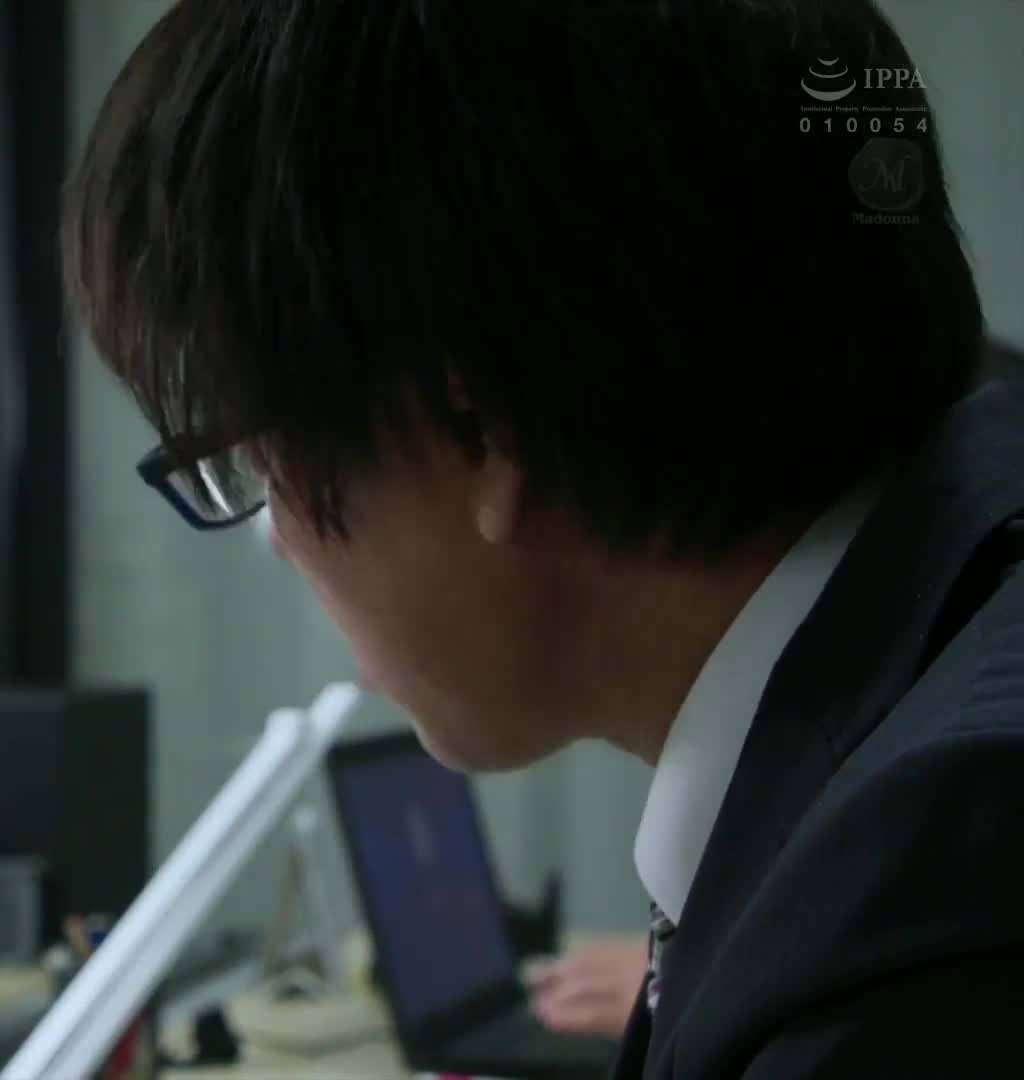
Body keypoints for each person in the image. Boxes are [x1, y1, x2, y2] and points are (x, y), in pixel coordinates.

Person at [65, 2, 1023, 1077]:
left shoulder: (927, 921)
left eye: (255, 456)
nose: (282, 541)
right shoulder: (953, 628)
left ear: (479, 431)